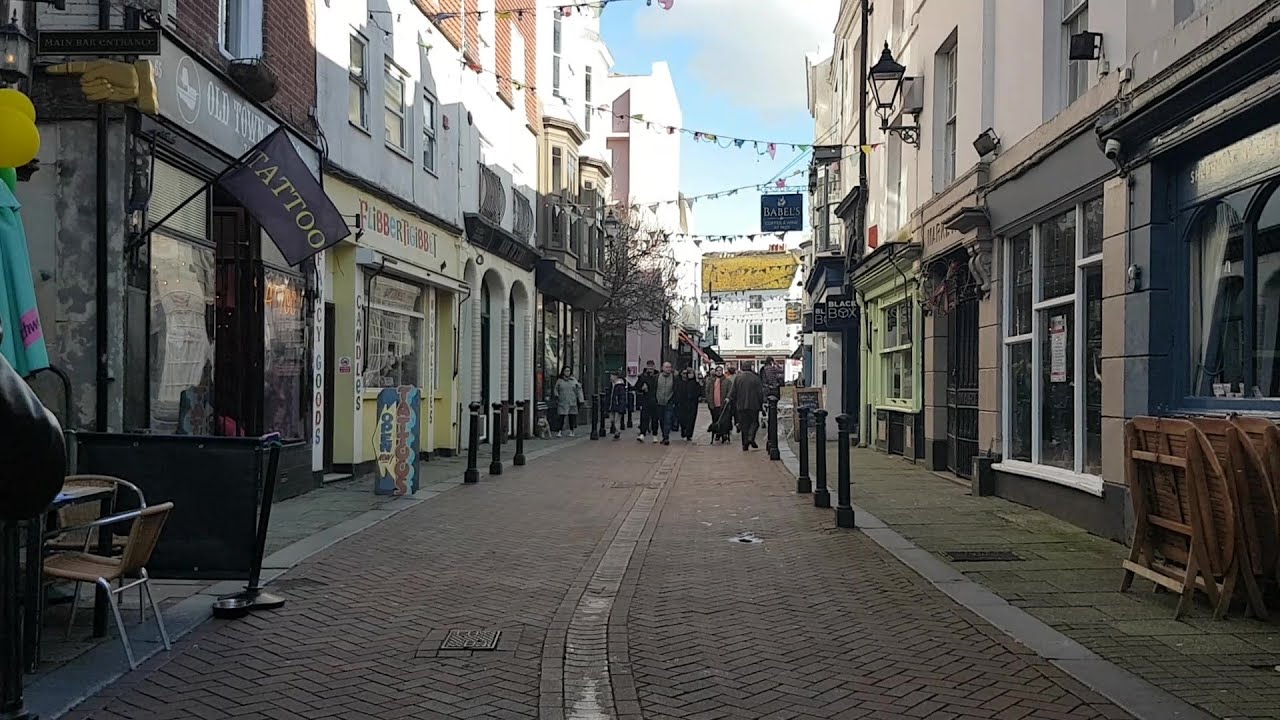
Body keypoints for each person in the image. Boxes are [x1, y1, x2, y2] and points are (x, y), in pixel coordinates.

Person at [727, 361, 764, 451]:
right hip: (753, 405)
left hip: (741, 405)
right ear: (750, 367)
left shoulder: (738, 378)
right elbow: (760, 393)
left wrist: (729, 398)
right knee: (754, 422)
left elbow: (733, 392)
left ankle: (745, 444)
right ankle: (751, 437)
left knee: (744, 425)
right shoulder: (756, 378)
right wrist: (761, 404)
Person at [553, 366, 584, 437]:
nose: (567, 372)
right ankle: (559, 431)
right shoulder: (560, 380)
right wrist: (557, 395)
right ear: (563, 372)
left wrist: (580, 399)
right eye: (566, 371)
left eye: (569, 371)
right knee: (561, 417)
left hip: (572, 401)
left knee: (572, 416)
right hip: (562, 401)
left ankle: (572, 430)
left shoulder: (573, 380)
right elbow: (556, 389)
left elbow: (579, 389)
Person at [673, 367, 702, 442]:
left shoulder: (694, 382)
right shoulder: (678, 381)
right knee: (682, 419)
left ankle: (689, 434)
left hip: (692, 403)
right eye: (684, 373)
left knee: (691, 419)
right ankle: (684, 432)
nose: (685, 375)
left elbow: (699, 391)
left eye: (687, 373)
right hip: (681, 403)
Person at [704, 365, 729, 444]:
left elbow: (730, 391)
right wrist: (709, 400)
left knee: (723, 420)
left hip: (723, 404)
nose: (719, 372)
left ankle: (723, 433)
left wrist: (727, 399)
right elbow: (707, 391)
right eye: (717, 370)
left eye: (720, 370)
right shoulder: (711, 381)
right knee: (715, 419)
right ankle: (717, 433)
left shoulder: (727, 381)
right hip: (713, 404)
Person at [653, 361, 676, 445]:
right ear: (662, 368)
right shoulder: (656, 377)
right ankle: (664, 436)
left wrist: (673, 400)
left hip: (669, 402)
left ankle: (666, 437)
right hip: (659, 402)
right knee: (661, 420)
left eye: (669, 367)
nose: (668, 369)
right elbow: (653, 389)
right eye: (666, 367)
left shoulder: (674, 378)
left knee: (668, 419)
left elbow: (675, 389)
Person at [635, 361, 657, 442]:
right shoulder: (643, 376)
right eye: (649, 367)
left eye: (652, 367)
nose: (650, 369)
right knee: (644, 417)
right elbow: (637, 387)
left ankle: (654, 434)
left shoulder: (657, 376)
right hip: (646, 399)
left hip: (655, 399)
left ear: (654, 367)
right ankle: (642, 434)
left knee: (655, 418)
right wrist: (641, 388)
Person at [606, 371, 629, 440]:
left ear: (615, 376)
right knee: (612, 419)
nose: (610, 377)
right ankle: (616, 430)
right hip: (612, 405)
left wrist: (621, 407)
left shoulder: (620, 386)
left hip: (617, 405)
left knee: (616, 420)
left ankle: (617, 433)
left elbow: (622, 397)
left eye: (611, 376)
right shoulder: (612, 385)